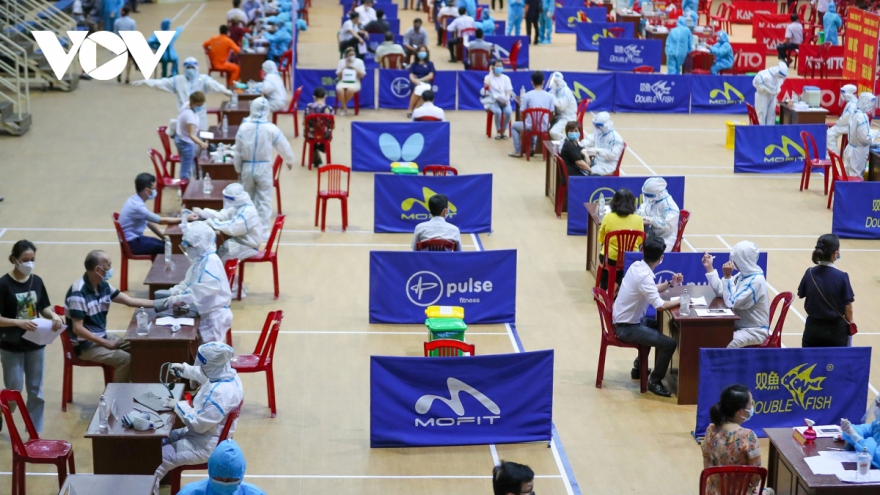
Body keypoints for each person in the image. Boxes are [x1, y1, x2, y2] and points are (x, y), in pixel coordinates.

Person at [153, 342, 244, 494]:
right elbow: (206, 375)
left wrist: (178, 405)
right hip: (203, 436)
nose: (200, 367)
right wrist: (184, 369)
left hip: (204, 445)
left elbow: (199, 424)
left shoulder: (220, 394)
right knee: (157, 440)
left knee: (156, 462)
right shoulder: (229, 376)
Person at [0, 241, 63, 433]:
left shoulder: (36, 281)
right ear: (14, 260)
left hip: (35, 343)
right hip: (11, 346)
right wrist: (17, 322)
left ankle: (35, 433)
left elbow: (42, 306)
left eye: (32, 260)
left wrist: (53, 315)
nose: (29, 264)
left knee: (36, 391)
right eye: (25, 260)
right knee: (14, 391)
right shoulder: (3, 284)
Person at [64, 250, 155, 384]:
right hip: (86, 345)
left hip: (101, 336)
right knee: (126, 359)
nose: (111, 268)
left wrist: (164, 303)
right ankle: (116, 398)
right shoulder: (79, 293)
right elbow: (78, 329)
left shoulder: (103, 285)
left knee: (139, 347)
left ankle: (138, 386)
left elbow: (130, 301)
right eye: (109, 265)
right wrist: (105, 343)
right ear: (98, 270)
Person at [611, 236, 682, 397]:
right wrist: (682, 300)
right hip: (626, 328)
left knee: (658, 326)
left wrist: (670, 284)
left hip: (626, 320)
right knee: (669, 343)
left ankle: (638, 367)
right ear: (661, 258)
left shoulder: (637, 266)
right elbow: (660, 305)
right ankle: (654, 381)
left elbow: (650, 289)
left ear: (643, 251)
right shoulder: (645, 277)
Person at [153, 223, 233, 343]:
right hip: (204, 311)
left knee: (208, 357)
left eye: (189, 246)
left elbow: (200, 293)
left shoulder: (210, 264)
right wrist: (173, 292)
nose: (187, 249)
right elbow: (188, 283)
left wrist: (175, 300)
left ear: (199, 245)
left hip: (213, 317)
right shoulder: (200, 260)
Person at [234, 97, 295, 235]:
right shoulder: (271, 129)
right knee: (264, 201)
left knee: (246, 200)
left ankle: (246, 230)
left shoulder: (244, 127)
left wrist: (238, 168)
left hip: (247, 168)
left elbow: (237, 151)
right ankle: (262, 232)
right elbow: (283, 146)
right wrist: (290, 160)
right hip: (264, 169)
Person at [702, 384, 774, 495]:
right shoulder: (748, 437)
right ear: (740, 412)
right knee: (770, 492)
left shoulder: (710, 430)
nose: (752, 406)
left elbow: (707, 465)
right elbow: (755, 480)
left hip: (713, 492)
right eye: (750, 403)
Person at [132, 57, 234, 131]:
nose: (190, 69)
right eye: (188, 67)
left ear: (197, 68)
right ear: (184, 68)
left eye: (192, 67)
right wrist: (147, 82)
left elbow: (215, 85)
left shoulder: (203, 79)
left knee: (201, 143)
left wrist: (225, 91)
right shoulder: (178, 80)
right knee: (187, 141)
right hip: (185, 117)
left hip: (200, 117)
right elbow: (161, 83)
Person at [702, 241, 770, 348]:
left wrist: (728, 277)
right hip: (738, 325)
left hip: (753, 331)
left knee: (724, 343)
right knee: (711, 335)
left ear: (743, 260)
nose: (732, 262)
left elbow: (731, 302)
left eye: (735, 259)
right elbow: (722, 290)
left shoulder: (756, 282)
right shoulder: (743, 275)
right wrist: (709, 268)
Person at [797, 233, 854, 347]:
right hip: (836, 332)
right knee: (836, 363)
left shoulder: (809, 273)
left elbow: (801, 294)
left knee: (810, 363)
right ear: (835, 254)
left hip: (812, 330)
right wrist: (850, 323)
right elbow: (848, 309)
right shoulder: (842, 277)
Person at [119, 173, 195, 255]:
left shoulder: (134, 200)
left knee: (167, 245)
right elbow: (161, 220)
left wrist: (163, 237)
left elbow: (149, 223)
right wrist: (186, 218)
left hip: (136, 239)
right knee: (170, 248)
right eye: (154, 188)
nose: (155, 191)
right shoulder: (137, 206)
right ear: (147, 190)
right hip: (132, 244)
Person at [194, 183, 263, 263]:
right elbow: (224, 215)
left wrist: (212, 223)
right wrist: (203, 212)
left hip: (248, 246)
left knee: (220, 261)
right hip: (240, 242)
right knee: (218, 254)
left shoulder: (247, 211)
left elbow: (232, 228)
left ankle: (222, 275)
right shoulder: (239, 205)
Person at [177, 440, 268, 495]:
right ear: (211, 473)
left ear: (240, 477)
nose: (224, 485)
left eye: (230, 481)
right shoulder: (189, 493)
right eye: (218, 479)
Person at [597, 188, 644, 290]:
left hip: (610, 257)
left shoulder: (608, 217)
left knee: (606, 261)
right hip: (630, 257)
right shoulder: (639, 219)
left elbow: (601, 238)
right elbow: (640, 241)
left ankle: (607, 288)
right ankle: (617, 286)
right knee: (627, 265)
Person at [509, 71, 555, 158]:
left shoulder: (527, 95)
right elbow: (551, 113)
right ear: (543, 82)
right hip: (545, 126)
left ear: (532, 82)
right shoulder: (550, 96)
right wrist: (546, 122)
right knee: (536, 123)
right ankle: (533, 148)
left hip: (530, 126)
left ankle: (518, 151)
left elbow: (522, 113)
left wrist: (529, 120)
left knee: (515, 126)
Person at [636, 177, 680, 251]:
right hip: (653, 234)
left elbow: (668, 225)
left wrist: (651, 220)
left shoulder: (670, 207)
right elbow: (644, 208)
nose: (647, 198)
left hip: (665, 238)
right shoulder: (654, 200)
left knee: (650, 254)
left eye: (649, 195)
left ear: (657, 193)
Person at [175, 92, 210, 181]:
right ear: (195, 103)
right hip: (185, 142)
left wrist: (199, 129)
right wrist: (202, 143)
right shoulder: (189, 115)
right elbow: (191, 135)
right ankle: (183, 186)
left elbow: (192, 127)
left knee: (187, 163)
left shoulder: (186, 105)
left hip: (180, 136)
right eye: (200, 104)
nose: (201, 106)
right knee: (186, 167)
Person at [844, 92, 878, 178]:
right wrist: (875, 134)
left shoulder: (854, 113)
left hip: (850, 148)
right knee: (856, 177)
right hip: (858, 153)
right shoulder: (862, 116)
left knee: (848, 176)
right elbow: (864, 138)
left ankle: (849, 191)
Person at [304, 87, 334, 167]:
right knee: (325, 133)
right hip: (325, 135)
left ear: (314, 97)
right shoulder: (330, 109)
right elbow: (332, 125)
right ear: (325, 97)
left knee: (309, 134)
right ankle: (320, 147)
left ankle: (316, 149)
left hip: (311, 135)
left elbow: (304, 123)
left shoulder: (309, 107)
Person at [484, 59, 513, 140]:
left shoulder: (506, 78)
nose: (499, 68)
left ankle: (503, 131)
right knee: (498, 112)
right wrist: (490, 72)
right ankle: (498, 131)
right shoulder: (489, 77)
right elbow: (486, 83)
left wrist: (506, 100)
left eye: (500, 66)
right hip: (493, 101)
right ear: (493, 67)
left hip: (504, 101)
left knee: (508, 112)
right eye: (497, 66)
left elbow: (508, 93)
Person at [826, 84, 857, 158]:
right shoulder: (852, 102)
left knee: (830, 133)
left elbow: (846, 118)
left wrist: (838, 122)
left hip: (849, 126)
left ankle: (833, 155)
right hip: (848, 125)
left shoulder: (852, 104)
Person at [336, 46, 366, 116]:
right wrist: (345, 67)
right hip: (343, 81)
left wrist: (354, 68)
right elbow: (338, 75)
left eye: (353, 54)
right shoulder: (341, 62)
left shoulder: (359, 62)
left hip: (355, 81)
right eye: (350, 55)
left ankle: (342, 107)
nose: (352, 56)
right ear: (346, 55)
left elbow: (362, 75)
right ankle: (345, 107)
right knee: (340, 90)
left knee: (350, 90)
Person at [546, 72, 576, 141]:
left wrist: (552, 96)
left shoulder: (565, 91)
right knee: (544, 127)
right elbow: (548, 97)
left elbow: (561, 106)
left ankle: (567, 143)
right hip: (558, 116)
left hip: (567, 117)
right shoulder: (555, 90)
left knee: (553, 132)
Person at [407, 45, 436, 118]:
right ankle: (410, 109)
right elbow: (411, 75)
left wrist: (419, 80)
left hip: (426, 82)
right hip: (415, 83)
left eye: (424, 51)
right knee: (418, 88)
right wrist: (415, 81)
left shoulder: (430, 64)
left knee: (424, 89)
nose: (422, 53)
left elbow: (430, 76)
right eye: (420, 51)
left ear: (427, 53)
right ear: (417, 53)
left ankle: (415, 110)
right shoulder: (413, 64)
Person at [112, 7, 136, 84]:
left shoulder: (117, 21)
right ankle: (127, 77)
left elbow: (115, 33)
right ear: (129, 12)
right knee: (129, 61)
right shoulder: (132, 22)